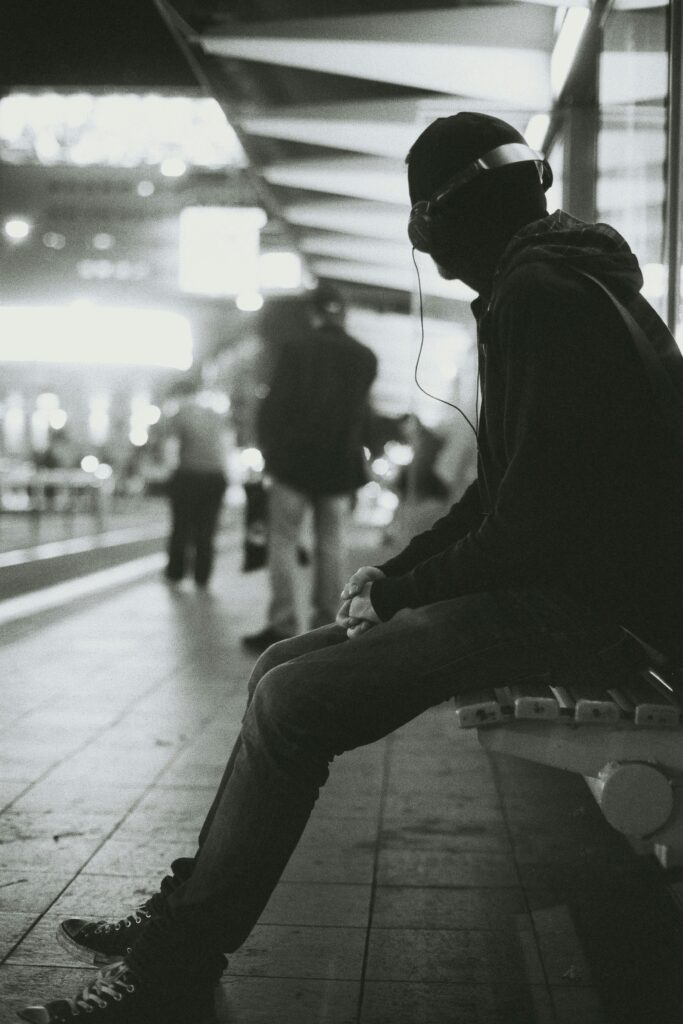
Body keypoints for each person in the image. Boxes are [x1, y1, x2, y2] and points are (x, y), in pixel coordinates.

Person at [20, 111, 683, 1024]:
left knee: (295, 705)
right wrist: (393, 575)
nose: (422, 240)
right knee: (279, 666)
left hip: (589, 611)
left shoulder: (541, 298)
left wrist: (405, 590)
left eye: (423, 216)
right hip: (576, 591)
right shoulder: (555, 281)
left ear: (446, 216)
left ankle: (176, 966)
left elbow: (525, 526)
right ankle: (186, 909)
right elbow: (497, 500)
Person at [241, 285, 378, 653]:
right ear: (343, 314)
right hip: (338, 463)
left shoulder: (296, 350)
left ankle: (283, 623)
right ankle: (326, 624)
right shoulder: (365, 357)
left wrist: (269, 452)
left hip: (293, 463)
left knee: (283, 542)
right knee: (331, 544)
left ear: (313, 313)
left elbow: (274, 406)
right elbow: (362, 415)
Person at [162, 378, 228, 589]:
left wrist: (171, 472)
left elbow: (171, 447)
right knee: (207, 528)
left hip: (188, 475)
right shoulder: (217, 415)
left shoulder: (180, 414)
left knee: (181, 526)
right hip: (216, 477)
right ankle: (202, 575)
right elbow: (226, 446)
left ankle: (176, 572)